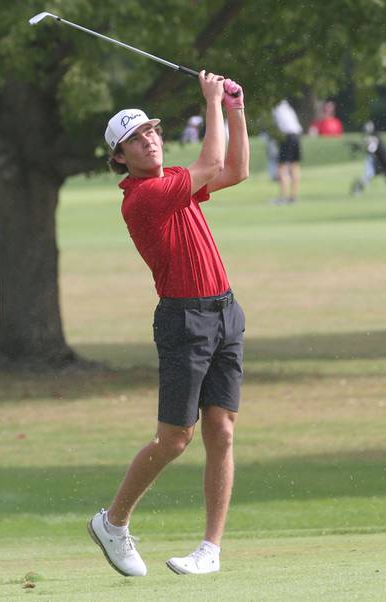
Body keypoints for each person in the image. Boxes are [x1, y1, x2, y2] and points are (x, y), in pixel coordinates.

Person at [89, 71, 248, 577]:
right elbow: (215, 161)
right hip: (184, 321)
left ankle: (210, 549)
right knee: (176, 439)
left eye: (153, 131)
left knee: (221, 431)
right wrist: (211, 102)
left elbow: (236, 171)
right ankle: (113, 523)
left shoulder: (175, 182)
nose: (150, 139)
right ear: (121, 157)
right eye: (136, 139)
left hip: (225, 312)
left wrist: (237, 110)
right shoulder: (143, 199)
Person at [349, 121, 386, 201]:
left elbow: (372, 148)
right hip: (378, 161)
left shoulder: (375, 136)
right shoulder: (369, 137)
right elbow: (370, 148)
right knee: (370, 176)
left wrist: (360, 147)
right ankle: (357, 189)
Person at [271, 99, 303, 204]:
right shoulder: (288, 107)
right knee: (294, 166)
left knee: (282, 167)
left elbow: (274, 127)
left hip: (287, 137)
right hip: (296, 136)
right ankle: (293, 196)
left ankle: (283, 197)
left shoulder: (276, 108)